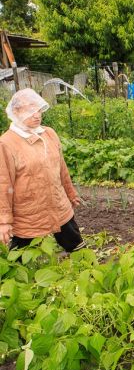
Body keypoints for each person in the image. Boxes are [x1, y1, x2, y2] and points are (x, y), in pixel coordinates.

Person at [0, 88, 84, 252]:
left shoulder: (49, 134)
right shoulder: (6, 143)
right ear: (16, 111)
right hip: (29, 213)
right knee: (21, 259)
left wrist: (70, 193)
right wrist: (4, 221)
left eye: (38, 109)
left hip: (58, 204)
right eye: (30, 110)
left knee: (77, 248)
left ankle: (87, 274)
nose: (37, 114)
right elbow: (3, 184)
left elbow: (61, 168)